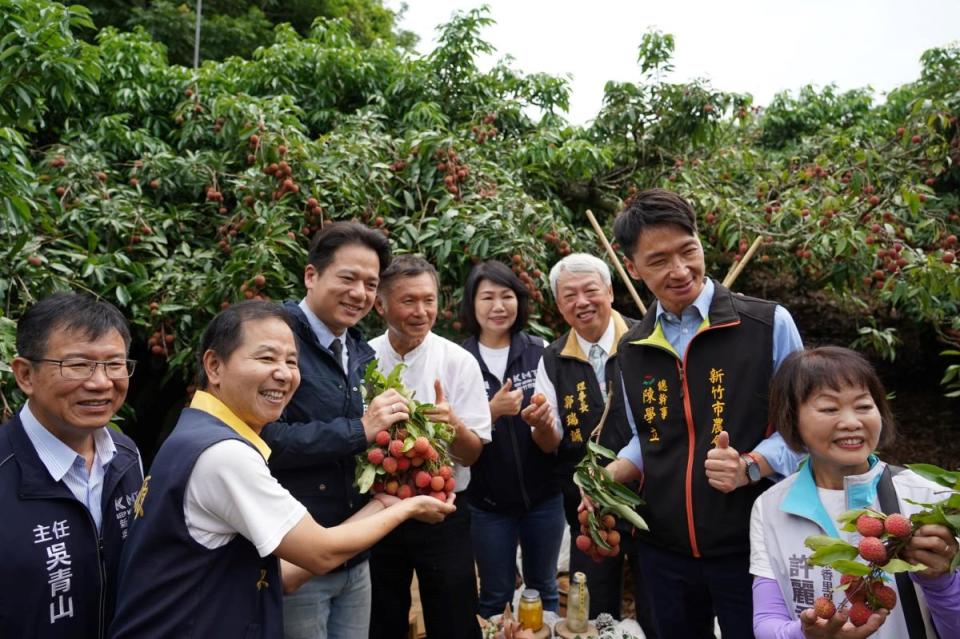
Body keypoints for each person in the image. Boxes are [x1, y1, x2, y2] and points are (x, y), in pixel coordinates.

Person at [109, 301, 454, 639]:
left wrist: (383, 503)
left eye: (292, 361)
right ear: (214, 366)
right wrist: (410, 506)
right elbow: (322, 552)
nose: (284, 373)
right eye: (266, 357)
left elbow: (285, 575)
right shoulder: (225, 455)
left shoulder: (196, 432)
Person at [588, 188, 805, 639]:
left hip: (750, 548)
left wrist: (750, 465)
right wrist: (607, 478)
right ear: (633, 268)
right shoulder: (632, 348)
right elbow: (645, 440)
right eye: (659, 260)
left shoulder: (767, 325)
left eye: (688, 250)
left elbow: (803, 430)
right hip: (662, 552)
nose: (680, 270)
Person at [259, 222, 413, 639]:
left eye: (370, 284)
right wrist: (360, 429)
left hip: (353, 552)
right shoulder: (275, 337)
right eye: (347, 278)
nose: (359, 293)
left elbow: (363, 442)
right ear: (312, 276)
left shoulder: (359, 351)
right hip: (299, 554)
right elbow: (263, 440)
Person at [751, 346, 960, 639]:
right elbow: (766, 620)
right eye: (829, 409)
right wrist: (805, 635)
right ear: (792, 419)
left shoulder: (928, 500)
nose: (852, 422)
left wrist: (941, 582)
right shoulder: (771, 507)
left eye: (863, 406)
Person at [521, 253, 658, 637]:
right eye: (569, 295)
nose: (581, 302)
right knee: (594, 607)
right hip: (587, 509)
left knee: (657, 602)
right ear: (559, 305)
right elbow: (550, 443)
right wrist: (542, 427)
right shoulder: (552, 358)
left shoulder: (646, 339)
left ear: (610, 292)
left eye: (590, 290)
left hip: (653, 500)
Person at [0, 292, 143, 639]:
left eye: (114, 364)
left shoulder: (127, 457)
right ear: (25, 375)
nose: (100, 382)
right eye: (77, 365)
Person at [368, 255, 492, 639]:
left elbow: (471, 455)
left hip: (444, 512)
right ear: (380, 305)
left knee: (454, 617)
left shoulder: (458, 362)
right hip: (379, 510)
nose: (421, 312)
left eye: (429, 300)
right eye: (408, 301)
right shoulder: (362, 359)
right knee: (380, 614)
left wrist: (452, 424)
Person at [459, 260, 565, 618]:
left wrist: (545, 424)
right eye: (487, 297)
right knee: (495, 594)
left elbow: (551, 442)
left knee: (545, 588)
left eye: (507, 296)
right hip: (487, 505)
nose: (498, 306)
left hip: (544, 499)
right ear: (472, 305)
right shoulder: (461, 360)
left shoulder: (540, 351)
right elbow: (454, 437)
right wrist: (492, 410)